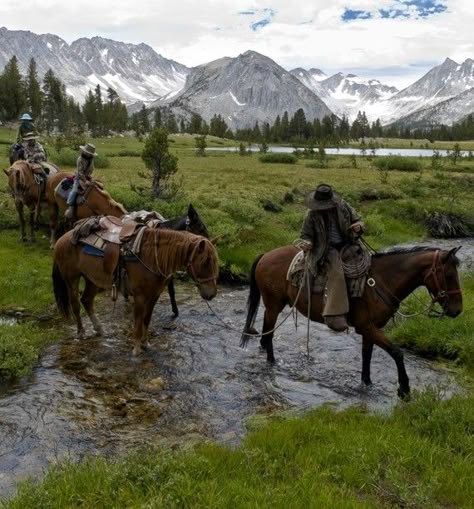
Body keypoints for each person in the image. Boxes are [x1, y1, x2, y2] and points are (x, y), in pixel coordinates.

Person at [297, 183, 365, 332]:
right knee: (337, 273)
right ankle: (334, 314)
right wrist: (307, 243)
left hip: (347, 244)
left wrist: (359, 226)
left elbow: (358, 219)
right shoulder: (312, 214)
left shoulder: (343, 206)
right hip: (325, 250)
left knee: (368, 261)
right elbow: (305, 235)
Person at [65, 143, 97, 219]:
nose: (88, 154)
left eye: (89, 153)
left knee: (98, 186)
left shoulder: (91, 159)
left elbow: (91, 169)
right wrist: (85, 180)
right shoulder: (80, 159)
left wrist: (90, 176)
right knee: (75, 190)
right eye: (87, 152)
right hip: (79, 177)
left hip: (87, 176)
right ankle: (70, 205)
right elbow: (80, 172)